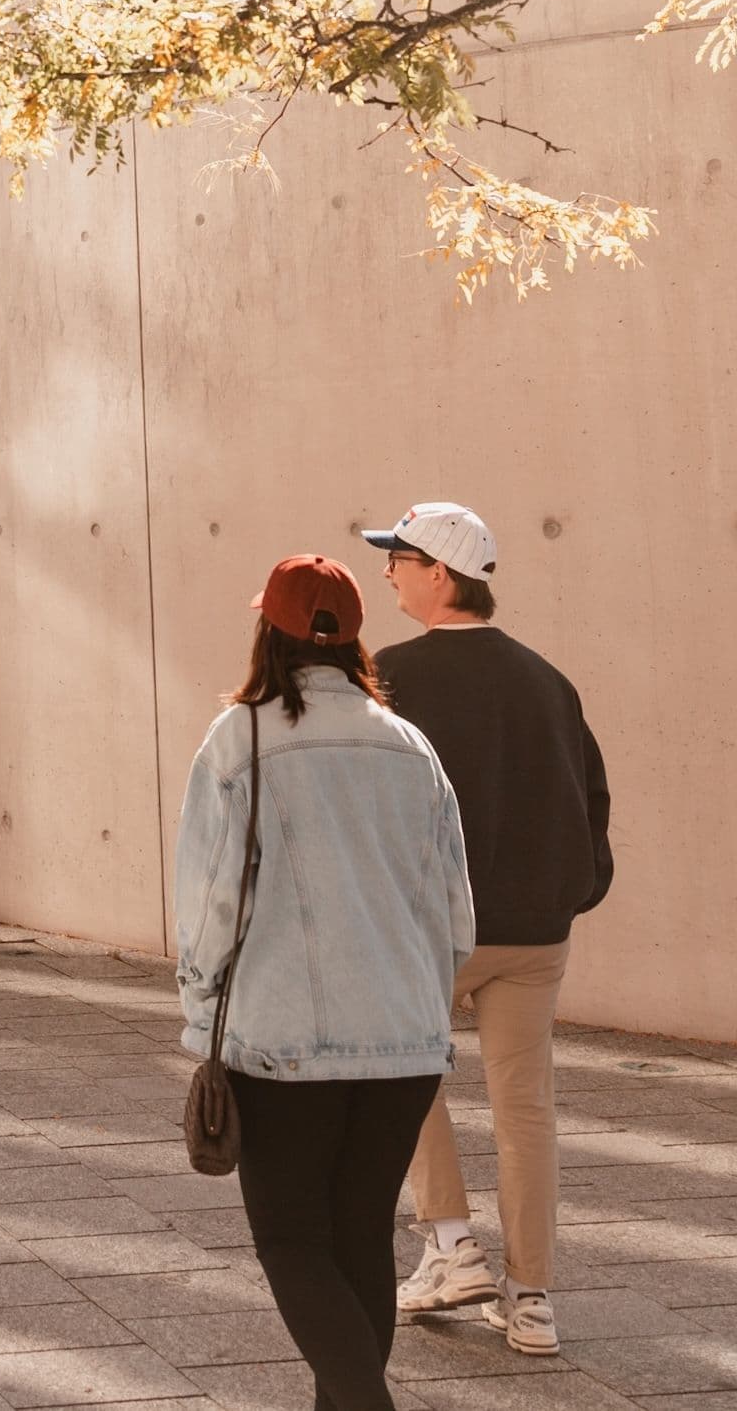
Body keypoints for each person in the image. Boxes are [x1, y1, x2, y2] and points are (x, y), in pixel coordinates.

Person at [176, 554, 474, 1411]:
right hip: (405, 1044)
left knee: (291, 1239)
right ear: (353, 640)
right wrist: (418, 1003)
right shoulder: (410, 744)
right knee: (356, 1241)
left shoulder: (241, 739)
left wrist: (203, 1019)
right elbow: (454, 911)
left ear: (267, 630)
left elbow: (209, 906)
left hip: (284, 1043)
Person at [365, 504, 612, 1358]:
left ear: (441, 573)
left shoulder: (387, 675)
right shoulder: (548, 679)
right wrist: (572, 893)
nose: (387, 571)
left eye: (398, 557)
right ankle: (533, 1299)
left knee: (399, 1073)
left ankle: (450, 1244)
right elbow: (591, 797)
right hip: (534, 935)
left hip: (432, 930)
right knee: (526, 1111)